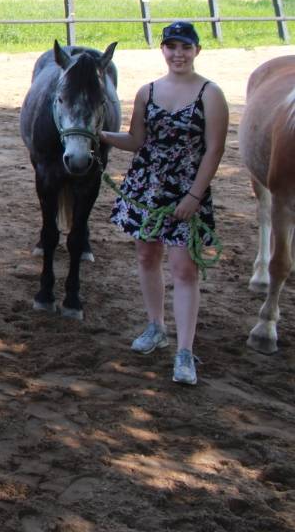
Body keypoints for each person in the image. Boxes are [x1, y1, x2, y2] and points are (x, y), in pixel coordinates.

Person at [102, 21, 227, 386]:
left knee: (184, 269)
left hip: (187, 188)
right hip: (148, 187)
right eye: (171, 47)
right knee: (146, 256)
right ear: (163, 50)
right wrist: (100, 136)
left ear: (196, 51)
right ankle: (155, 326)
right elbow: (136, 139)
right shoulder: (148, 91)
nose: (178, 54)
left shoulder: (210, 93)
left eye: (185, 47)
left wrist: (194, 196)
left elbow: (214, 150)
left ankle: (184, 351)